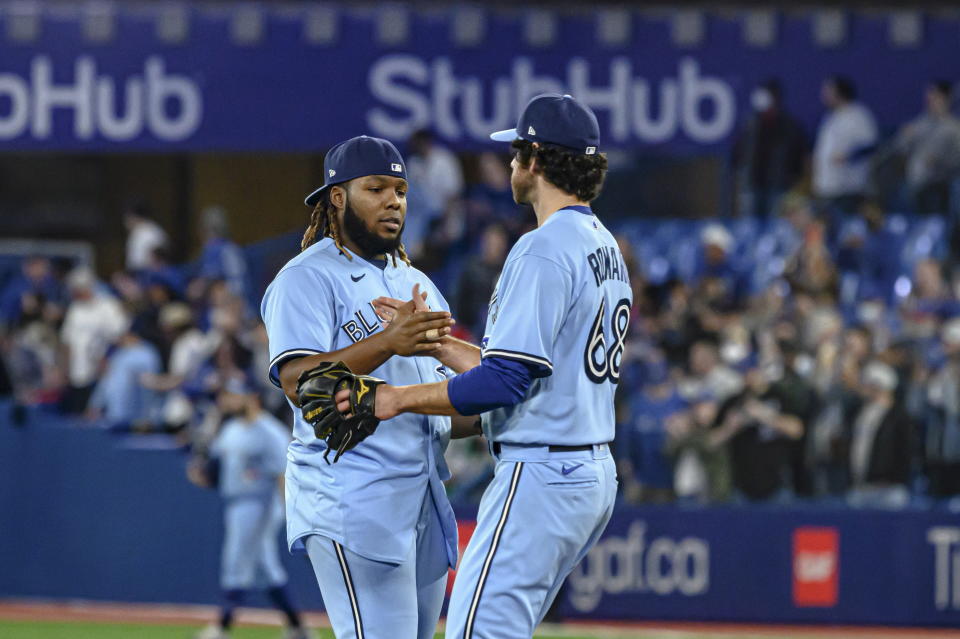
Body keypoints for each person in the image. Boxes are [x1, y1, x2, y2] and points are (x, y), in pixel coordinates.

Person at [353, 94, 628, 638]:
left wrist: (396, 399)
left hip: (543, 471)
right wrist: (432, 342)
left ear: (537, 160)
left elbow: (504, 382)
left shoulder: (543, 247)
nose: (509, 163)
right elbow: (525, 370)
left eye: (517, 151)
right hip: (585, 470)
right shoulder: (602, 244)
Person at [260, 136, 465, 639]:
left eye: (400, 189)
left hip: (421, 493)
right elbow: (296, 380)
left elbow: (439, 405)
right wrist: (388, 342)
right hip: (354, 496)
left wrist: (491, 409)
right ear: (338, 197)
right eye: (376, 188)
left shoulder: (415, 281)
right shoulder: (306, 278)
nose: (393, 200)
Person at [189, 378, 311, 639]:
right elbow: (221, 467)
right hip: (236, 501)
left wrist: (292, 516)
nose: (227, 400)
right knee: (265, 568)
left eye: (234, 395)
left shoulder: (270, 431)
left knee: (236, 560)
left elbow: (283, 475)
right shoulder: (231, 428)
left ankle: (222, 627)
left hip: (262, 504)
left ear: (252, 397)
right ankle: (298, 627)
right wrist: (204, 476)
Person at [731, 79, 809, 218]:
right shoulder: (751, 123)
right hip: (752, 182)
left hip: (777, 185)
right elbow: (740, 149)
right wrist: (739, 170)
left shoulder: (789, 125)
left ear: (774, 98)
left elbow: (797, 153)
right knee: (749, 222)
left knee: (775, 222)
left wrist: (792, 178)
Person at [59, 266, 128, 414]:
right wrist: (64, 368)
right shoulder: (75, 308)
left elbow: (120, 337)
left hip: (101, 370)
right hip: (76, 373)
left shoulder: (108, 305)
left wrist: (107, 358)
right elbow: (67, 341)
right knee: (76, 412)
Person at [888, 81, 960, 213]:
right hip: (913, 183)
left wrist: (939, 161)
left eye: (935, 97)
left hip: (940, 183)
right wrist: (904, 137)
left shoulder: (954, 128)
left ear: (946, 99)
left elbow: (956, 160)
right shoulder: (920, 124)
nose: (930, 101)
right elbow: (898, 148)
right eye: (929, 97)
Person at [812, 76, 878, 214]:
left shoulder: (858, 115)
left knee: (847, 230)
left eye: (828, 91)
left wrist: (849, 156)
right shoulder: (831, 117)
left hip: (849, 189)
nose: (824, 95)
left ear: (839, 93)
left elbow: (870, 145)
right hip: (827, 187)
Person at [124, 201, 168, 272]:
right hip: (140, 275)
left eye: (127, 217)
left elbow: (157, 265)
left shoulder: (150, 233)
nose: (125, 222)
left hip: (151, 277)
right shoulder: (137, 231)